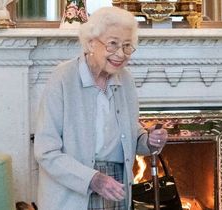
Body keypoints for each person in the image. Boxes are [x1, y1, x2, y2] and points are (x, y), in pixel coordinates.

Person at [34, 6, 168, 210]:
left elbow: (130, 134)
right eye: (112, 44)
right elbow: (46, 151)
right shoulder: (62, 78)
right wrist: (93, 179)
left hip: (116, 183)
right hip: (73, 191)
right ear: (90, 43)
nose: (121, 54)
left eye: (127, 46)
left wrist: (148, 141)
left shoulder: (126, 80)